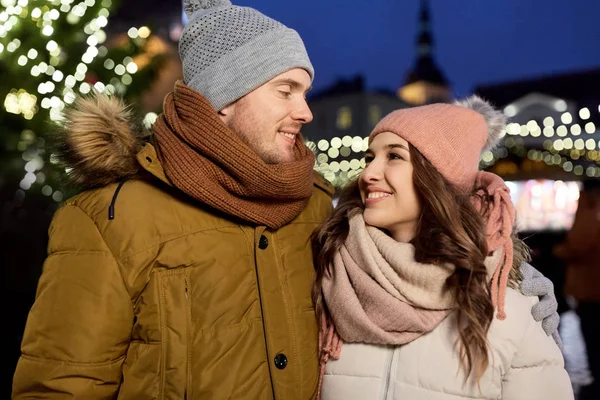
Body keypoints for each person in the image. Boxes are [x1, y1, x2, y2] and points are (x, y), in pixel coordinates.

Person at [13, 1, 559, 398]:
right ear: (225, 98)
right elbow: (61, 386)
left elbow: (428, 245)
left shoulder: (319, 209)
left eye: (306, 90)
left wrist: (513, 280)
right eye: (286, 90)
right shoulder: (111, 218)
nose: (306, 111)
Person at [313, 96, 573, 399]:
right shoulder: (331, 271)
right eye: (369, 158)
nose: (368, 174)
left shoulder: (507, 301)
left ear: (438, 177)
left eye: (394, 157)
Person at [555, 179, 600, 400]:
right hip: (593, 287)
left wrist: (557, 251)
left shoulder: (591, 209)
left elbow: (578, 245)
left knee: (593, 338)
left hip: (591, 289)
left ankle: (597, 384)